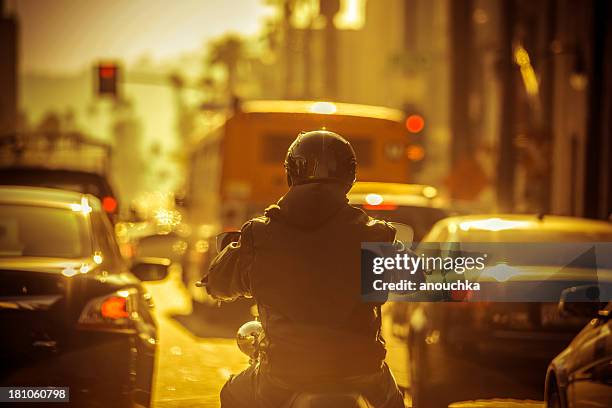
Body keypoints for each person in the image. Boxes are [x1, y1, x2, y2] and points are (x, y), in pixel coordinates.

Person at [203, 130, 405, 408]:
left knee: (232, 394)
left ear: (291, 173)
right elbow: (409, 279)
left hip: (283, 374)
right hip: (362, 371)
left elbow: (220, 284)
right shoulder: (377, 235)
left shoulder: (259, 234)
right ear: (349, 176)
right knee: (395, 401)